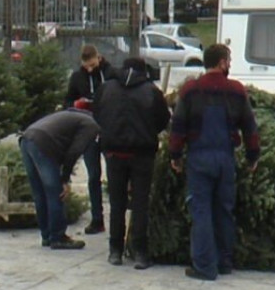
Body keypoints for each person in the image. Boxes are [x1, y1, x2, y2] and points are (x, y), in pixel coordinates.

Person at [168, 45, 260, 282]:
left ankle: (204, 267)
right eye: (228, 60)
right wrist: (253, 156)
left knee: (201, 211)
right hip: (225, 158)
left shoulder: (190, 90)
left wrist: (175, 156)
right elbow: (249, 126)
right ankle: (224, 263)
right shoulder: (237, 90)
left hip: (199, 158)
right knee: (224, 210)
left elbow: (177, 126)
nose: (229, 65)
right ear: (221, 62)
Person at [93, 57, 170, 269]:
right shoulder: (151, 91)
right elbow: (163, 120)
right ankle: (140, 252)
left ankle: (115, 250)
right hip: (142, 153)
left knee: (116, 203)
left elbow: (97, 114)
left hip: (113, 152)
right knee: (140, 203)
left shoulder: (105, 88)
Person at [19, 104, 101, 251]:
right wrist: (64, 179)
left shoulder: (77, 116)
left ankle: (47, 235)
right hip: (43, 143)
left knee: (39, 192)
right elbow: (74, 152)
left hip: (27, 138)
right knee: (55, 192)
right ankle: (58, 237)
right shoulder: (91, 125)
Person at [64, 44, 115, 234]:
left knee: (113, 175)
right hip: (88, 130)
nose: (90, 69)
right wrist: (76, 104)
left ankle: (117, 217)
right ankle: (97, 218)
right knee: (93, 176)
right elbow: (67, 101)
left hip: (108, 129)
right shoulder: (78, 77)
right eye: (87, 66)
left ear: (98, 58)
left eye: (93, 65)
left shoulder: (109, 73)